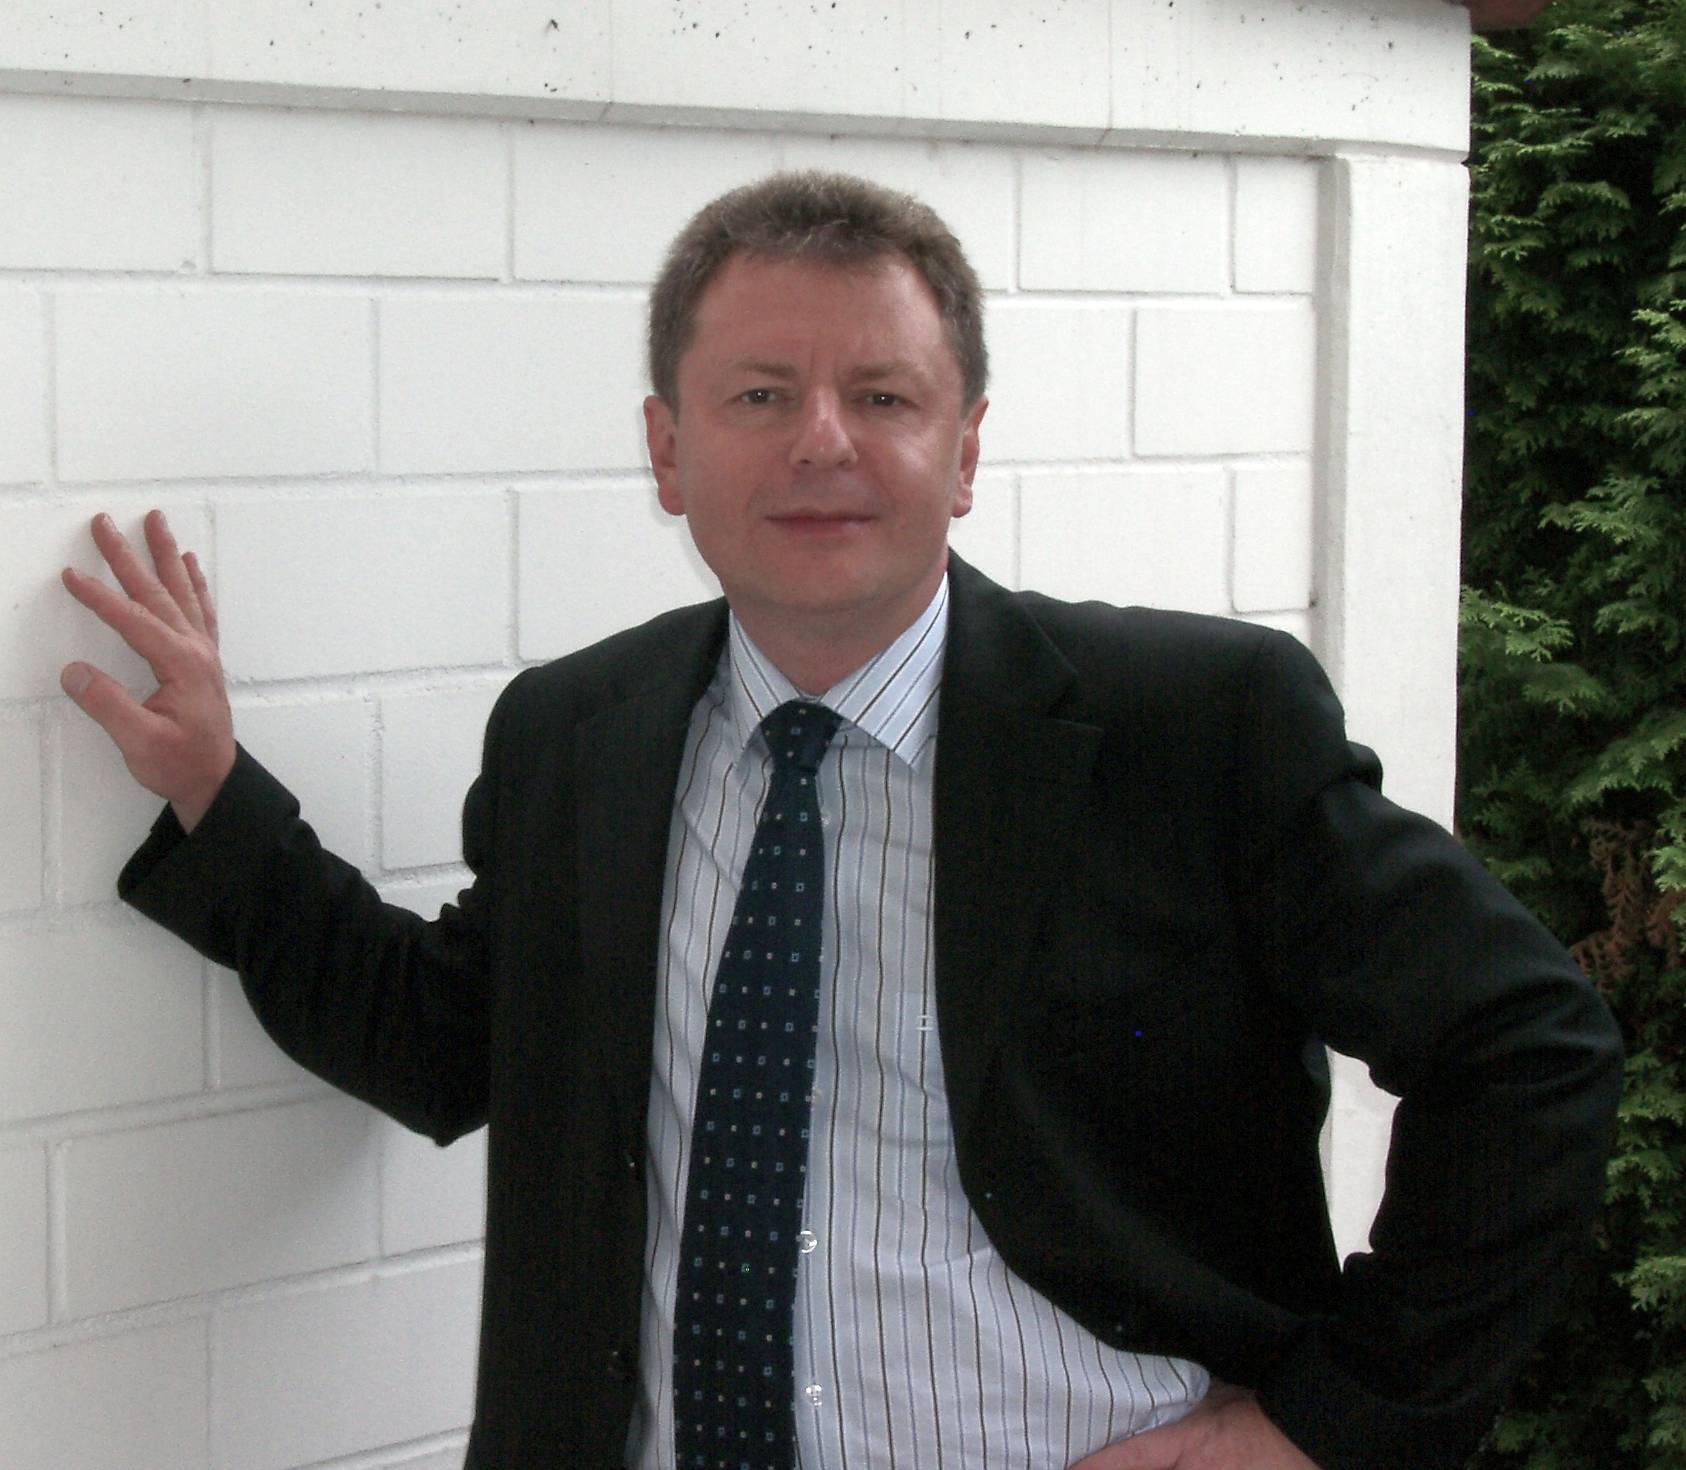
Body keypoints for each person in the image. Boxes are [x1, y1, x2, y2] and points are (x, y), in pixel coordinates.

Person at [59, 172, 1621, 1470]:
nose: (821, 439)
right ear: (667, 450)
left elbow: (1525, 1047)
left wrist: (1325, 1424)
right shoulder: (573, 736)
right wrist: (215, 791)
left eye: (881, 395)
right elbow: (443, 1042)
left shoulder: (1191, 724)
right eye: (758, 395)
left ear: (964, 449)